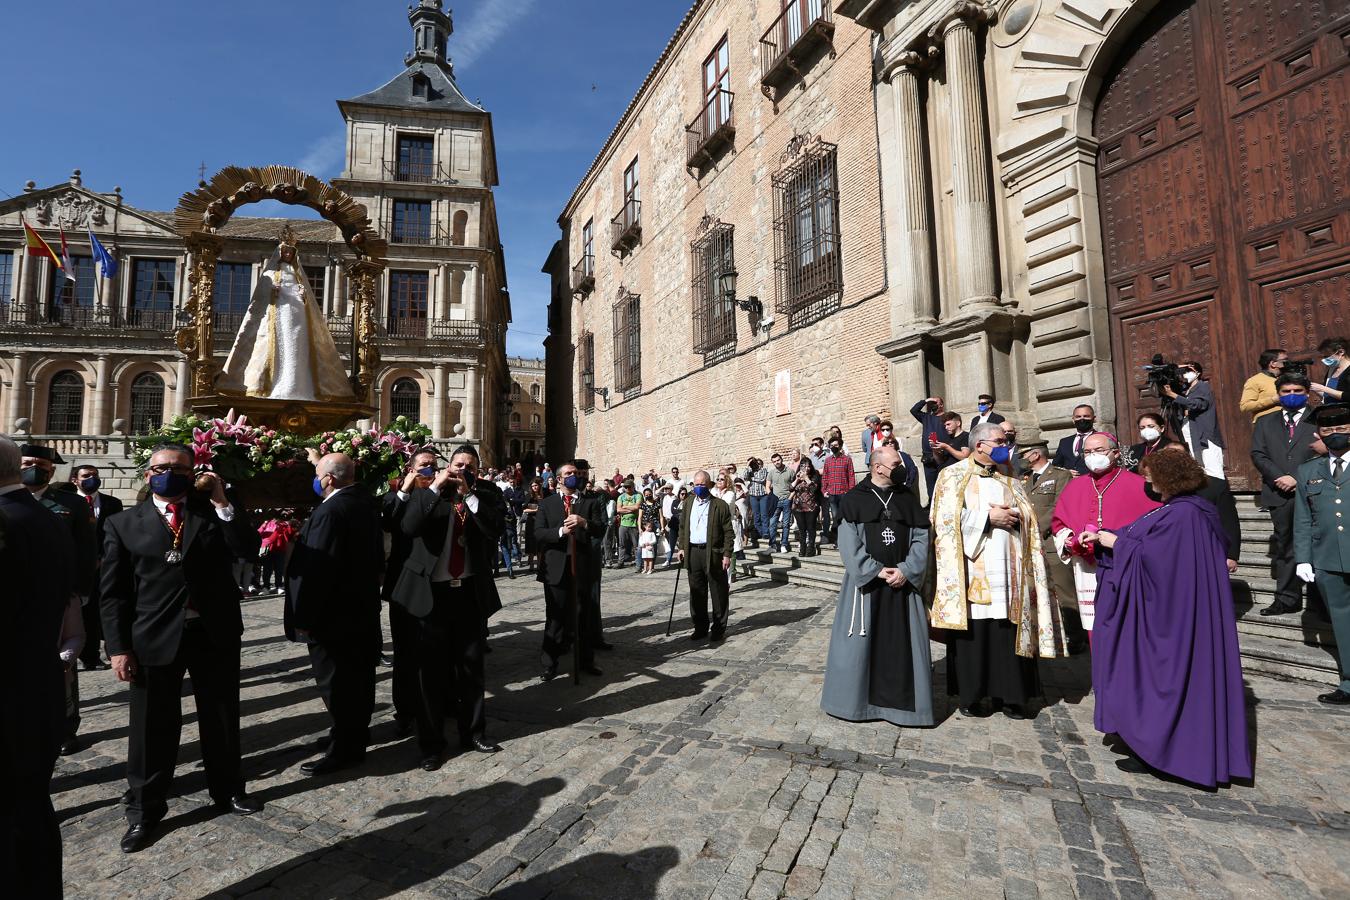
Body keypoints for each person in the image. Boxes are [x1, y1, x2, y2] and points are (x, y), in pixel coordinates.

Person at [101, 444, 263, 853]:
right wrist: (118, 647)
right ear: (147, 474)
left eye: (177, 468)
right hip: (152, 636)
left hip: (212, 631)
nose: (167, 474)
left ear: (193, 474)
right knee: (151, 726)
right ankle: (145, 809)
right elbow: (113, 593)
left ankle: (227, 790)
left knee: (221, 715)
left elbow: (247, 549)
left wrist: (223, 499)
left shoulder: (212, 511)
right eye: (159, 468)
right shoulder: (123, 523)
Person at [1089, 449, 1252, 786]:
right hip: (1177, 611)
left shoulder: (1184, 516)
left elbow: (1161, 562)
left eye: (1151, 477)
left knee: (1166, 677)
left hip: (1171, 619)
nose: (1146, 483)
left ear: (1166, 479)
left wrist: (1115, 543)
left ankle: (1164, 751)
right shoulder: (1183, 511)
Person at [930, 423, 1064, 718]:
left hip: (1010, 567)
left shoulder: (1012, 478)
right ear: (979, 445)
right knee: (977, 634)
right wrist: (987, 518)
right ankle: (974, 696)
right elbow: (942, 520)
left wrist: (1018, 518)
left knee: (1010, 631)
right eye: (1001, 441)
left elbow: (1029, 515)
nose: (1006, 446)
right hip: (973, 567)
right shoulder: (951, 476)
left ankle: (1014, 696)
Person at [393, 444, 506, 767]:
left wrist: (469, 494)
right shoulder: (426, 493)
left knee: (472, 668)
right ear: (447, 466)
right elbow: (408, 527)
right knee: (430, 673)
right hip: (432, 595)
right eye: (458, 465)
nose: (462, 471)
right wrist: (436, 488)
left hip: (468, 592)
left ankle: (474, 732)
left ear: (477, 471)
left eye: (469, 467)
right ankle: (431, 744)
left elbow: (494, 528)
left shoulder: (483, 495)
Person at [0, 434, 74, 895]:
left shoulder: (5, 521)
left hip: (8, 690)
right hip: (36, 683)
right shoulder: (41, 515)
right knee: (29, 807)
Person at [285, 453, 384, 776]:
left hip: (333, 616)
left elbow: (318, 569)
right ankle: (353, 735)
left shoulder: (332, 510)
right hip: (361, 609)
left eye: (318, 473)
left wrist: (305, 617)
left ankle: (345, 748)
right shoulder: (364, 501)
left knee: (337, 684)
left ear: (329, 479)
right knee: (359, 680)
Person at [821, 443, 932, 726]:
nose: (901, 469)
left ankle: (906, 710)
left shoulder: (907, 498)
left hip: (902, 587)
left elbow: (921, 538)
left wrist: (907, 570)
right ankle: (858, 705)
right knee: (859, 648)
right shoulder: (853, 499)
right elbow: (848, 544)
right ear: (878, 467)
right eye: (896, 464)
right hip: (867, 588)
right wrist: (876, 570)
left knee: (905, 645)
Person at [1050, 432, 1159, 642]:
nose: (1092, 456)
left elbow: (1154, 526)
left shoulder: (1139, 485)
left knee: (1128, 630)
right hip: (1087, 570)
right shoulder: (1075, 486)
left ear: (1116, 453)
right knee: (1096, 633)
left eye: (1099, 450)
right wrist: (1072, 540)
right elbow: (1059, 525)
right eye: (1088, 452)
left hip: (1125, 568)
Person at [218, 229, 350, 401]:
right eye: (285, 251)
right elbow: (261, 292)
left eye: (291, 251)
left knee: (298, 345)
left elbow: (306, 295)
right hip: (278, 313)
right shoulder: (271, 272)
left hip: (297, 314)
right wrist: (272, 290)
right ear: (280, 252)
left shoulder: (298, 275)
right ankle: (276, 386)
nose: (288, 254)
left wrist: (303, 295)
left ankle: (301, 387)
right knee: (277, 346)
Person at [1251, 373, 1322, 616]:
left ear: (1307, 392)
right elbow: (1258, 454)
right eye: (1286, 391)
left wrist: (1297, 477)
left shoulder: (1320, 419)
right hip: (1279, 492)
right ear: (1278, 394)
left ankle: (1321, 601)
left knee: (1319, 543)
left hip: (1315, 489)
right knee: (1285, 545)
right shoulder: (1264, 421)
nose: (1291, 395)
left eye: (1297, 391)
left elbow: (1327, 451)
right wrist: (1279, 477)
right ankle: (1286, 598)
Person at [1294, 403, 1350, 705]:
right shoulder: (1308, 471)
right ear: (1319, 434)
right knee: (1343, 624)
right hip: (1328, 557)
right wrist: (1303, 557)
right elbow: (1303, 518)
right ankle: (1349, 682)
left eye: (1342, 429)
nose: (1336, 435)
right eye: (1329, 431)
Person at [382, 449, 439, 735]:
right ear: (411, 468)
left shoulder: (442, 493)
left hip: (434, 584)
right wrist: (406, 486)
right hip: (404, 586)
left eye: (433, 466)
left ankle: (435, 705)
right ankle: (405, 709)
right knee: (405, 653)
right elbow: (390, 521)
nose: (429, 470)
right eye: (423, 466)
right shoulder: (397, 495)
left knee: (433, 652)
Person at [534, 461, 607, 680]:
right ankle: (550, 663)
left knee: (583, 616)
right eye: (568, 473)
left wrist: (584, 523)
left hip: (582, 567)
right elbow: (538, 533)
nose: (573, 476)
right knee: (555, 617)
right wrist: (560, 531)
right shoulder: (547, 504)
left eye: (575, 473)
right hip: (556, 568)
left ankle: (586, 660)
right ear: (559, 479)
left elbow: (601, 528)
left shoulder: (589, 502)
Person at [1018, 440, 1085, 654]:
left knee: (1064, 591)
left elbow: (1059, 507)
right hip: (1031, 543)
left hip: (1050, 542)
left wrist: (1035, 528)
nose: (1021, 458)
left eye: (1024, 453)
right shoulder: (1026, 480)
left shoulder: (1060, 476)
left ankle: (1076, 637)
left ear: (1036, 454)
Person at [69, 462, 122, 670]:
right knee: (78, 612)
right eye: (86, 475)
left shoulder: (112, 503)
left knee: (101, 610)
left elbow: (116, 534)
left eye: (95, 474)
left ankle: (96, 655)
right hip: (76, 568)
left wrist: (104, 557)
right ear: (75, 479)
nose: (92, 478)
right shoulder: (69, 502)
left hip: (105, 567)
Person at [1160, 443, 1241, 572]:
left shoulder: (1215, 485)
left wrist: (1231, 555)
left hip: (1206, 551)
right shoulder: (1156, 488)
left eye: (1178, 455)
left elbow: (1229, 521)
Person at [676, 471, 734, 641]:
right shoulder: (688, 503)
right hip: (693, 552)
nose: (698, 488)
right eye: (696, 484)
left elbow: (728, 532)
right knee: (697, 592)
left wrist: (727, 554)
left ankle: (719, 628)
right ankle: (700, 627)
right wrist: (681, 547)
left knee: (718, 592)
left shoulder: (720, 505)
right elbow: (682, 527)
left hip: (713, 553)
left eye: (702, 484)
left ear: (709, 485)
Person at [574, 459, 614, 652]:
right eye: (578, 474)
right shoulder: (564, 497)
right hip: (570, 555)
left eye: (584, 474)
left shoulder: (595, 498)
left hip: (590, 554)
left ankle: (595, 636)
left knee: (593, 596)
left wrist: (592, 546)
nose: (582, 477)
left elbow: (602, 524)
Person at [1163, 360, 1226, 479]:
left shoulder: (1202, 386)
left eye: (1189, 370)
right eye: (1184, 371)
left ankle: (1217, 493)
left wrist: (1173, 395)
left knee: (1212, 468)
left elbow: (1199, 405)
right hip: (1189, 432)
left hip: (1205, 435)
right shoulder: (1183, 390)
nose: (1185, 373)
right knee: (1197, 467)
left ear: (1197, 373)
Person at [910, 396, 949, 498]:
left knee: (946, 483)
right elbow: (913, 410)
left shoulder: (948, 417)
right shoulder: (926, 417)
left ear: (941, 405)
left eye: (935, 403)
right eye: (931, 404)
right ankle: (932, 507)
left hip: (943, 455)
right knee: (931, 485)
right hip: (928, 457)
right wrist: (926, 401)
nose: (933, 405)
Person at [820, 435, 856, 546]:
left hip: (843, 493)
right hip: (832, 493)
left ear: (840, 446)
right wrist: (824, 490)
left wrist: (851, 491)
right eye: (832, 445)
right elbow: (825, 476)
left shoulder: (847, 459)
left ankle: (846, 539)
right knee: (836, 517)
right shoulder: (827, 461)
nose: (834, 447)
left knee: (844, 517)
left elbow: (851, 476)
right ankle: (837, 540)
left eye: (836, 445)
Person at [1240, 348, 1287, 421]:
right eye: (1285, 360)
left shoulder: (1287, 378)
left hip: (1290, 423)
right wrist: (1273, 400)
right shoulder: (1255, 380)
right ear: (1273, 363)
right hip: (1268, 424)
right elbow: (1245, 406)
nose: (1288, 362)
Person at [790, 458, 823, 558]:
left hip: (811, 507)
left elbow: (814, 489)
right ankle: (802, 548)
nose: (806, 468)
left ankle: (811, 548)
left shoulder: (815, 475)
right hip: (798, 507)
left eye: (808, 466)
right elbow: (790, 488)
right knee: (802, 529)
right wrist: (797, 479)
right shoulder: (798, 476)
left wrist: (807, 478)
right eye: (804, 466)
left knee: (811, 528)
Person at [1052, 405, 1097, 474]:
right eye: (1078, 417)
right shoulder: (1064, 442)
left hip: (1092, 482)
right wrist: (1066, 473)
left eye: (1086, 416)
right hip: (1069, 483)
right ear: (1073, 420)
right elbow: (1055, 466)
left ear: (1094, 419)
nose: (1082, 419)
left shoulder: (1101, 438)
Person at [766, 452, 795, 552]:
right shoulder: (771, 473)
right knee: (772, 523)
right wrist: (771, 497)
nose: (776, 462)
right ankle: (773, 545)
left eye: (778, 460)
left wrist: (790, 497)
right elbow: (767, 486)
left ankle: (784, 544)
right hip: (775, 501)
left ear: (781, 459)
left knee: (786, 524)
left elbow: (795, 485)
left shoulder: (790, 471)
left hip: (787, 500)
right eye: (774, 461)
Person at [1312, 337, 1350, 402]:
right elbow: (1329, 395)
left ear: (1341, 352)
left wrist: (1324, 389)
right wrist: (1314, 388)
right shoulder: (1331, 370)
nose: (1324, 359)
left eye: (1327, 356)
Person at [742, 457, 769, 546]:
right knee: (756, 516)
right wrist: (747, 466)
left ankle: (765, 532)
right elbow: (745, 477)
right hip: (753, 495)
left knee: (764, 514)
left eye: (758, 463)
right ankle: (760, 532)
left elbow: (762, 479)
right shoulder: (750, 471)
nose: (757, 465)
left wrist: (752, 478)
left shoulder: (764, 470)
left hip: (763, 495)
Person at [521, 479, 544, 571]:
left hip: (541, 521)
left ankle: (539, 565)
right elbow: (524, 509)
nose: (535, 487)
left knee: (539, 543)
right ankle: (531, 565)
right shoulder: (528, 496)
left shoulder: (543, 495)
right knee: (530, 543)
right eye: (533, 486)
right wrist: (536, 510)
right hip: (531, 521)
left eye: (536, 485)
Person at [636, 487, 662, 571]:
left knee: (653, 546)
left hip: (655, 525)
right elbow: (639, 517)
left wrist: (662, 527)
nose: (648, 496)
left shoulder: (657, 504)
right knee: (641, 546)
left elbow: (661, 517)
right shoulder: (642, 504)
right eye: (646, 495)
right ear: (644, 495)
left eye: (650, 494)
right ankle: (639, 566)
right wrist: (639, 528)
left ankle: (651, 566)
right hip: (645, 526)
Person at [616, 480, 641, 565]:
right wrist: (631, 510)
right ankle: (620, 561)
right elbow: (618, 509)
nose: (627, 488)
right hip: (623, 524)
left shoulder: (638, 495)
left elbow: (637, 507)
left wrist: (625, 507)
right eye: (625, 487)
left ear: (633, 486)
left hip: (634, 524)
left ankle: (638, 562)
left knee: (636, 546)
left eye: (628, 487)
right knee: (621, 544)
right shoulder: (621, 497)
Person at [666, 487, 686, 566]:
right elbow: (673, 511)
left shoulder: (687, 502)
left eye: (685, 494)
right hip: (674, 525)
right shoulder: (675, 501)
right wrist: (680, 513)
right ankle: (668, 560)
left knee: (682, 544)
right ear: (679, 494)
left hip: (683, 527)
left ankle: (682, 560)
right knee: (671, 544)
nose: (683, 495)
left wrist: (679, 513)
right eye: (682, 494)